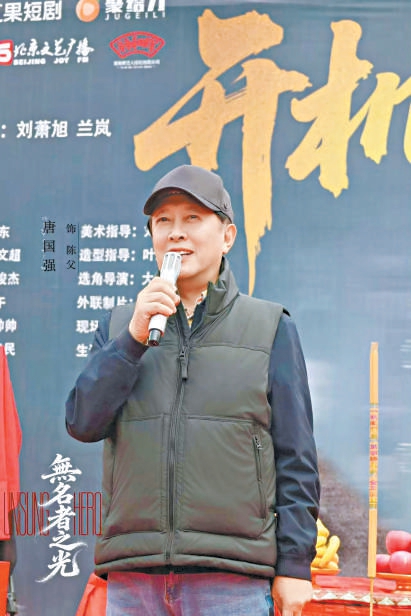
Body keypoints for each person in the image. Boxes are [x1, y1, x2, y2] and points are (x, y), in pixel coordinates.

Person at [66, 164, 320, 616]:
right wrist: (132, 340)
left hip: (232, 579)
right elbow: (82, 422)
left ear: (227, 236)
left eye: (193, 218)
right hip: (135, 578)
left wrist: (295, 565)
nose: (176, 232)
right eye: (163, 220)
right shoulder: (121, 326)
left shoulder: (269, 327)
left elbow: (296, 457)